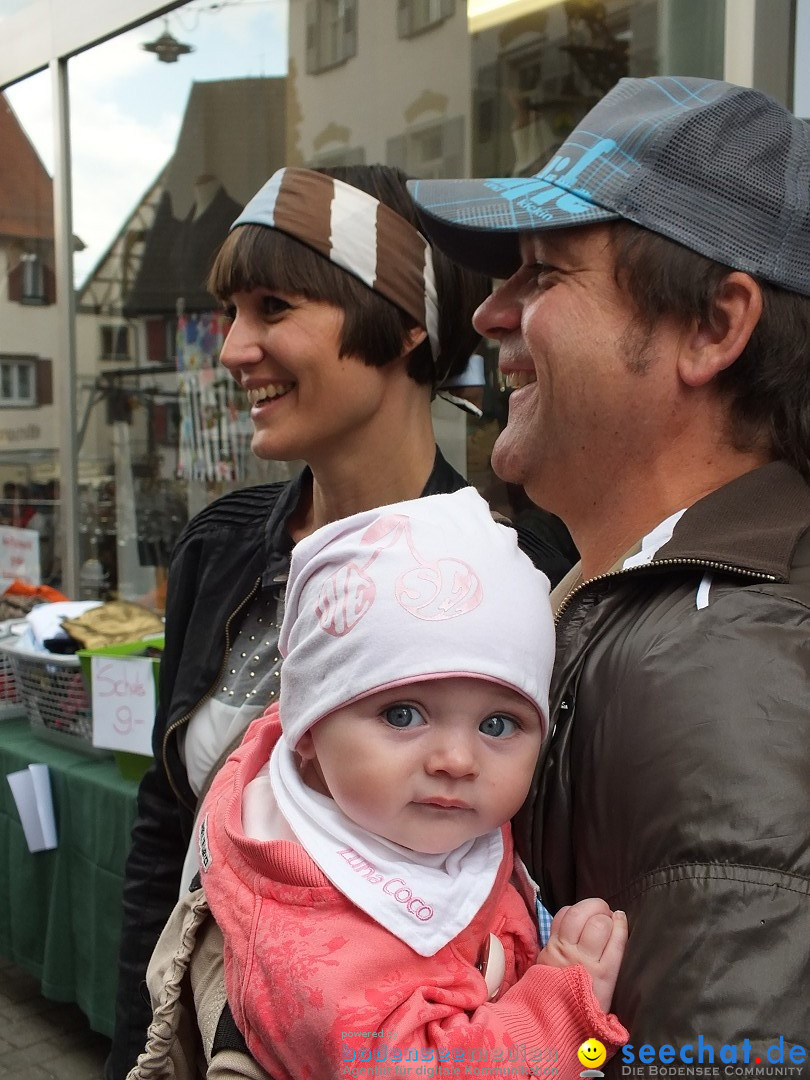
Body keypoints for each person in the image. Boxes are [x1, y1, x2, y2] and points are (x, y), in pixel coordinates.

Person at [106, 165, 575, 1080]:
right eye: (232, 313)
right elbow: (167, 829)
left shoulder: (521, 575)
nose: (235, 348)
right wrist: (143, 1048)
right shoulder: (222, 547)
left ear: (404, 324)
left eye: (273, 306)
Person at [408, 75, 810, 1069]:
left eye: (543, 275)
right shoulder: (644, 609)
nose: (491, 313)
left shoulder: (724, 670)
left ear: (715, 327)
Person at [127, 488, 628, 1080]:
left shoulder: (388, 810)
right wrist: (563, 1008)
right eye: (402, 714)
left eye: (499, 723)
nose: (456, 759)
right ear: (308, 726)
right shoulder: (310, 942)